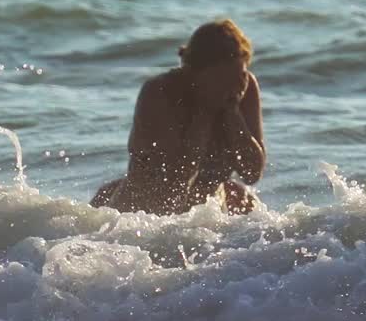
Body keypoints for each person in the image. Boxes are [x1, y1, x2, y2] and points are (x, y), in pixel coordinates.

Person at [91, 19, 266, 215]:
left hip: (205, 212)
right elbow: (174, 186)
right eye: (220, 79)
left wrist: (233, 115)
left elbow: (252, 173)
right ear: (193, 74)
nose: (232, 87)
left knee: (248, 202)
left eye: (238, 76)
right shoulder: (160, 93)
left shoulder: (244, 86)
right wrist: (204, 114)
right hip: (142, 213)